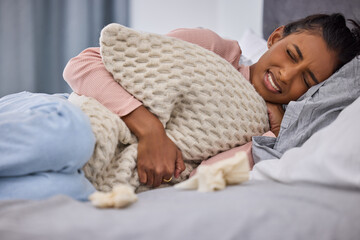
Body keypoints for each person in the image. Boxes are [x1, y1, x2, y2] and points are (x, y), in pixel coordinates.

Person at [0, 13, 359, 200]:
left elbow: (200, 176)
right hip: (80, 116)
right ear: (276, 36)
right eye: (291, 55)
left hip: (105, 173)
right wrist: (150, 129)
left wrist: (270, 137)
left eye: (307, 81)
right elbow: (82, 64)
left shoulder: (260, 132)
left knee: (53, 196)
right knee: (70, 140)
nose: (286, 75)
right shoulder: (216, 50)